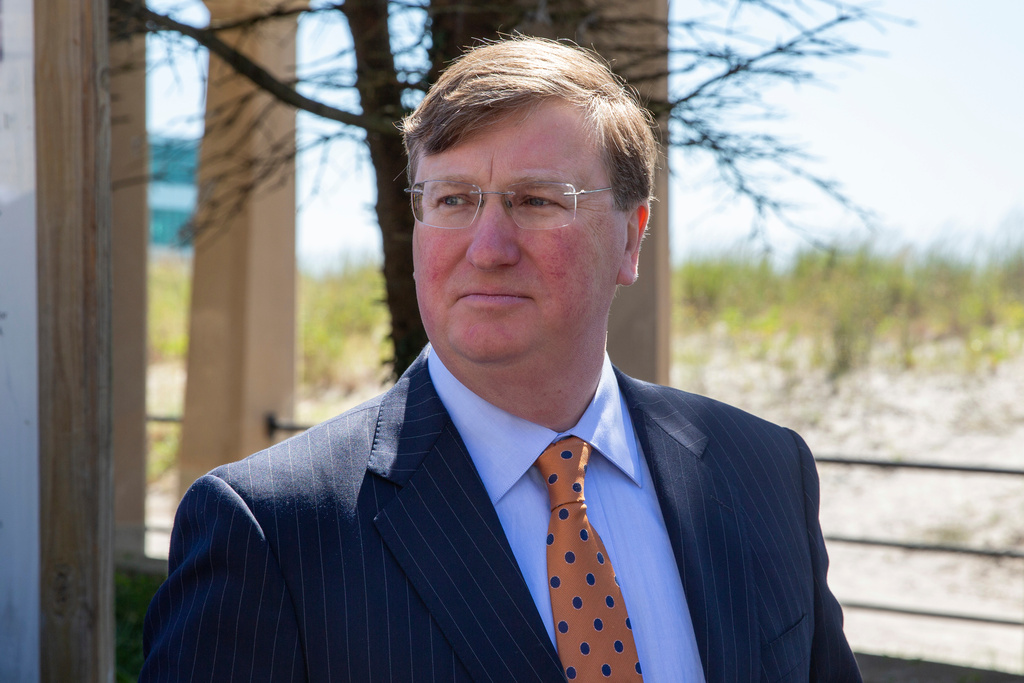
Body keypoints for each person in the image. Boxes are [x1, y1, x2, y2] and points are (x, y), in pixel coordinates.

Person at [141, 37, 861, 682]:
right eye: (453, 199)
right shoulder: (275, 531)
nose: (487, 248)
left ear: (632, 239)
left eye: (536, 200)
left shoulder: (764, 472)